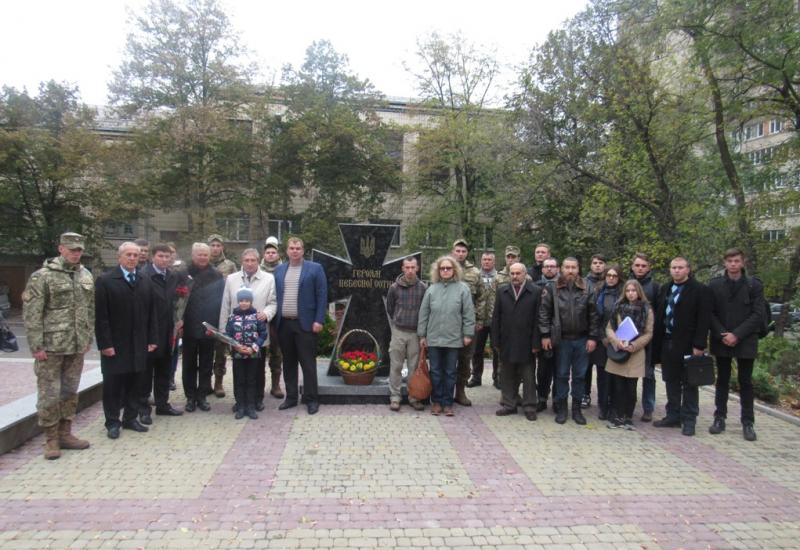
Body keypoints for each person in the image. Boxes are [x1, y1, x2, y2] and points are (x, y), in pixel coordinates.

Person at [22, 232, 95, 460]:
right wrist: (36, 346)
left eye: (79, 250)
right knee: (49, 394)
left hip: (76, 346)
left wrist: (86, 338)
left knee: (70, 392)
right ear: (61, 248)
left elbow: (89, 309)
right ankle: (51, 439)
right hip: (51, 347)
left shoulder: (85, 275)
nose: (76, 253)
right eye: (71, 249)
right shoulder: (42, 276)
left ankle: (66, 433)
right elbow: (32, 314)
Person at [95, 242, 158, 440]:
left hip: (139, 343)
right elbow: (101, 316)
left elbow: (152, 313)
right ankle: (113, 422)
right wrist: (105, 344)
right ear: (119, 257)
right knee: (113, 385)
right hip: (116, 344)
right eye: (129, 255)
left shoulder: (144, 280)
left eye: (136, 255)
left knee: (136, 383)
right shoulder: (105, 280)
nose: (132, 258)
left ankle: (130, 418)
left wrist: (152, 339)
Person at [708, 248, 765, 442]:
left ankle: (747, 422)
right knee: (722, 379)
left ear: (743, 262)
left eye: (736, 261)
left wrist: (737, 335)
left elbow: (758, 314)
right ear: (724, 263)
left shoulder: (753, 285)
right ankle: (719, 417)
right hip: (722, 337)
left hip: (745, 339)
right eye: (730, 261)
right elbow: (710, 312)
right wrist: (722, 333)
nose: (733, 264)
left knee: (745, 381)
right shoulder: (715, 285)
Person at [652, 257, 711, 436]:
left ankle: (689, 419)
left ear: (688, 269)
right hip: (667, 342)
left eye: (680, 267)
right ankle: (673, 415)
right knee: (671, 381)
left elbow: (704, 319)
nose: (676, 271)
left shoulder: (700, 290)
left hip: (688, 345)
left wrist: (699, 345)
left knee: (689, 383)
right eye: (673, 268)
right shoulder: (666, 288)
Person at [538, 257, 601, 425]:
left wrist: (593, 337)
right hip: (562, 339)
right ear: (561, 269)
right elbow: (544, 313)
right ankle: (562, 408)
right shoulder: (552, 288)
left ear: (579, 269)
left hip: (582, 339)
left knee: (580, 376)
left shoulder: (588, 288)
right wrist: (545, 335)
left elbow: (594, 315)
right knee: (561, 375)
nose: (570, 271)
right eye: (567, 267)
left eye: (573, 267)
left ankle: (577, 409)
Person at [274, 236, 328, 415]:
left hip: (305, 324)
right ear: (287, 251)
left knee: (308, 364)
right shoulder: (279, 270)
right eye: (291, 248)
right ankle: (290, 398)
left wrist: (319, 320)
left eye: (298, 248)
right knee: (288, 363)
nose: (295, 251)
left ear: (303, 250)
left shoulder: (315, 269)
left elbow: (322, 296)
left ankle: (312, 399)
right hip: (284, 325)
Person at [219, 248, 277, 411]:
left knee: (257, 371)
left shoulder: (268, 278)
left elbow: (273, 303)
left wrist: (266, 314)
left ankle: (257, 400)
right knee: (239, 372)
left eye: (253, 260)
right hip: (236, 335)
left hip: (257, 335)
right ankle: (240, 401)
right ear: (241, 262)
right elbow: (226, 304)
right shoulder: (231, 279)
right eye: (246, 260)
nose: (250, 263)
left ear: (258, 261)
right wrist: (224, 332)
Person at [418, 256, 475, 417]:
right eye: (442, 268)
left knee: (450, 372)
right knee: (435, 371)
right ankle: (436, 401)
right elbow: (424, 313)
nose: (445, 271)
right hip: (434, 338)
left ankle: (448, 403)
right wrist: (422, 335)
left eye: (448, 268)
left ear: (454, 270)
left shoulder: (463, 289)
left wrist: (467, 333)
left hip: (453, 339)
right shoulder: (431, 289)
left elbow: (468, 313)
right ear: (438, 270)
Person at [138, 243, 183, 423]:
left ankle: (163, 404)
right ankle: (143, 408)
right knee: (146, 372)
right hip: (149, 330)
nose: (164, 259)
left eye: (167, 256)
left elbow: (174, 302)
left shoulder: (172, 276)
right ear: (152, 257)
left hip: (167, 330)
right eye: (161, 256)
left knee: (164, 370)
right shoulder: (143, 276)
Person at [492, 262, 542, 420]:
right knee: (507, 374)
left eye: (518, 273)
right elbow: (496, 317)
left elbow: (538, 319)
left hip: (527, 341)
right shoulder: (502, 291)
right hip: (506, 340)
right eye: (512, 273)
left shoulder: (535, 291)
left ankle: (529, 406)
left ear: (525, 274)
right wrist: (495, 340)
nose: (514, 276)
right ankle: (509, 404)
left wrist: (536, 343)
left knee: (528, 376)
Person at [605, 279, 654, 430]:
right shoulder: (618, 307)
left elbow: (648, 333)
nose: (631, 293)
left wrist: (634, 345)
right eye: (628, 291)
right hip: (619, 350)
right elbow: (609, 328)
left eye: (633, 290)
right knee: (618, 387)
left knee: (631, 388)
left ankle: (628, 417)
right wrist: (616, 341)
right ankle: (618, 416)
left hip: (635, 353)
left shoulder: (647, 309)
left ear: (639, 292)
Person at [181, 243, 224, 412]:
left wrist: (217, 326)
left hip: (208, 327)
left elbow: (221, 302)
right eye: (199, 254)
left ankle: (202, 395)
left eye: (205, 255)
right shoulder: (183, 274)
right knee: (189, 364)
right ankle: (190, 397)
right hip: (189, 326)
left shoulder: (216, 275)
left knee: (206, 363)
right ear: (193, 255)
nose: (202, 257)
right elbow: (178, 301)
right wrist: (180, 322)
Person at [386, 257, 428, 411]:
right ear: (402, 268)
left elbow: (425, 311)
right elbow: (390, 308)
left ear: (417, 268)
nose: (410, 270)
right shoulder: (394, 288)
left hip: (415, 333)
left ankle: (414, 397)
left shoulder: (423, 288)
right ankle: (395, 397)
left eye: (413, 267)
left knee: (414, 367)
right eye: (407, 267)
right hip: (398, 331)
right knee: (396, 365)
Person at [450, 239, 487, 407]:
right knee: (448, 359)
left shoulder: (475, 273)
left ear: (467, 253)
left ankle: (460, 391)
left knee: (465, 359)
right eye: (457, 251)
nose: (460, 254)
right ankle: (445, 392)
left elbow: (482, 297)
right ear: (452, 251)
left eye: (463, 251)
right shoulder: (444, 268)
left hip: (468, 324)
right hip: (448, 322)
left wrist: (479, 320)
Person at [224, 288, 268, 419]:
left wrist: (253, 348)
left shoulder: (257, 316)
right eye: (241, 301)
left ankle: (251, 406)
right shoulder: (232, 317)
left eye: (247, 301)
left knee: (251, 380)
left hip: (253, 355)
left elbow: (263, 334)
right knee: (239, 380)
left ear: (251, 302)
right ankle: (240, 405)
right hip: (238, 355)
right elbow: (228, 335)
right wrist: (236, 347)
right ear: (238, 302)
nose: (244, 303)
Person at [589, 264, 623, 420]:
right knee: (603, 376)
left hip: (619, 340)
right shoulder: (598, 292)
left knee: (616, 375)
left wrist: (616, 338)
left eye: (614, 276)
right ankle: (603, 407)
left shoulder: (624, 293)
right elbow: (594, 316)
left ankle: (615, 406)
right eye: (608, 275)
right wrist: (601, 336)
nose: (611, 278)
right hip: (601, 340)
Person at [629, 253, 660, 422]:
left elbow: (659, 314)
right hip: (628, 337)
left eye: (643, 266)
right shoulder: (626, 285)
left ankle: (648, 408)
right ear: (632, 267)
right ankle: (628, 405)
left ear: (648, 267)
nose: (640, 268)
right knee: (628, 373)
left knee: (648, 375)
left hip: (647, 338)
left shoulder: (655, 287)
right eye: (637, 265)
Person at [207, 234, 238, 398]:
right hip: (206, 312)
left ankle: (218, 382)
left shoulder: (230, 265)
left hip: (223, 311)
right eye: (212, 245)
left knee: (221, 349)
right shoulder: (203, 263)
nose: (215, 248)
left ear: (222, 247)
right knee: (205, 350)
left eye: (218, 245)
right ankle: (205, 383)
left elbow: (236, 288)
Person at [468, 251, 498, 388]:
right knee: (477, 350)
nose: (486, 262)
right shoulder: (475, 276)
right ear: (481, 261)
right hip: (478, 319)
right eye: (484, 259)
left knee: (496, 349)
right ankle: (476, 377)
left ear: (494, 262)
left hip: (495, 319)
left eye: (489, 260)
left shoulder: (499, 277)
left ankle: (497, 377)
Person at [259, 236, 284, 400]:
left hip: (277, 317)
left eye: (273, 252)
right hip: (260, 316)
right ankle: (258, 385)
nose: (270, 255)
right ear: (264, 254)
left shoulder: (284, 269)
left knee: (276, 352)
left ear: (278, 254)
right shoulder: (257, 269)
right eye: (268, 252)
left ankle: (275, 385)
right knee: (259, 352)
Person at [582, 253, 607, 409]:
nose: (598, 265)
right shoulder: (584, 283)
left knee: (602, 367)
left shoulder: (610, 281)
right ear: (590, 265)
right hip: (587, 330)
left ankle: (604, 398)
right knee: (586, 366)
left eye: (601, 262)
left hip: (604, 332)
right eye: (595, 262)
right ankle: (585, 394)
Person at [534, 256, 559, 411]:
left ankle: (557, 400)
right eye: (546, 266)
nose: (549, 269)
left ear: (557, 268)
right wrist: (543, 334)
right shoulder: (536, 286)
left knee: (560, 371)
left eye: (552, 266)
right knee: (543, 370)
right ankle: (541, 398)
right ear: (542, 269)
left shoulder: (563, 286)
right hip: (542, 334)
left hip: (560, 334)